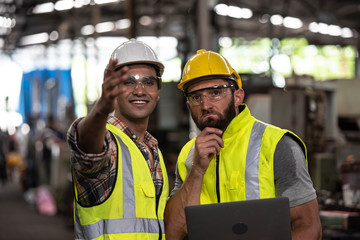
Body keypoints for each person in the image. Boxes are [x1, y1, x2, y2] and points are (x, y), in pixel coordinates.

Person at [164, 49, 322, 240]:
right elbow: (173, 232)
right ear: (189, 106)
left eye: (215, 93)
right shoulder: (188, 155)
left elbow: (308, 226)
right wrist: (197, 170)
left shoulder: (277, 144)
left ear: (237, 97)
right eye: (196, 97)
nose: (205, 105)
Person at [67, 39, 169, 240]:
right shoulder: (109, 143)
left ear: (158, 92)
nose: (139, 90)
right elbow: (87, 149)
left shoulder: (153, 149)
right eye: (128, 82)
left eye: (148, 82)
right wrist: (102, 109)